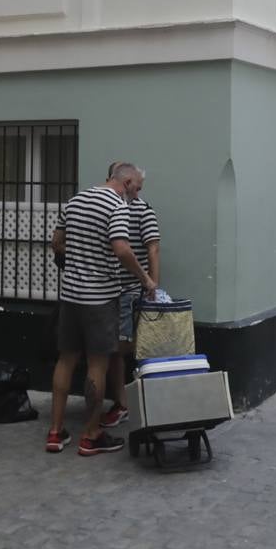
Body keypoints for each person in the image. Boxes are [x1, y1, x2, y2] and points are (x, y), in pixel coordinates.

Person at [47, 164, 156, 456]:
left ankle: (55, 432)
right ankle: (91, 435)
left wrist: (79, 262)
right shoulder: (117, 206)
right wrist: (144, 278)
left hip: (70, 296)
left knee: (66, 360)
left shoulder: (76, 200)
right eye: (138, 188)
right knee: (97, 364)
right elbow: (121, 249)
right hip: (100, 299)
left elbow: (57, 242)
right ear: (128, 181)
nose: (137, 194)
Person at [100, 161, 162, 429]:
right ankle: (123, 401)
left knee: (119, 349)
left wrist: (152, 287)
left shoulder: (142, 209)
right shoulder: (109, 205)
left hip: (128, 290)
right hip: (107, 290)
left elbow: (153, 249)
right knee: (116, 348)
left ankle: (124, 403)